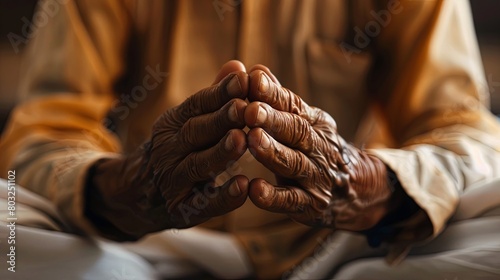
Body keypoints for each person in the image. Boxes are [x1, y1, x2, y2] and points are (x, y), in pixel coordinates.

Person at [1, 0, 500, 279]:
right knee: (8, 234)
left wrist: (375, 186)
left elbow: (465, 131)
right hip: (150, 248)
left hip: (347, 249)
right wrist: (126, 189)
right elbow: (42, 136)